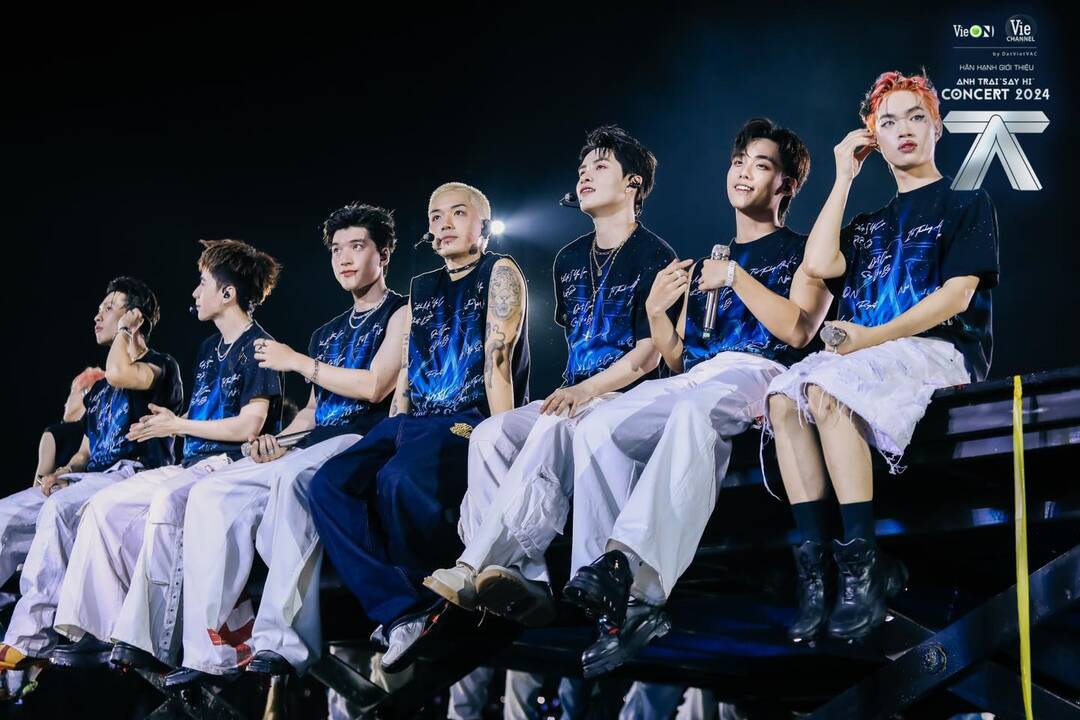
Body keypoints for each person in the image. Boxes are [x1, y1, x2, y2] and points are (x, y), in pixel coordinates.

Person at [766, 70, 999, 642]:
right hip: (866, 359)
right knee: (782, 397)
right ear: (874, 138)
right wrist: (844, 175)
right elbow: (817, 265)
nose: (904, 130)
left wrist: (871, 338)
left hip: (938, 351)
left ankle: (862, 569)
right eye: (888, 122)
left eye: (916, 117)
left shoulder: (966, 200)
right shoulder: (869, 226)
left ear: (937, 127)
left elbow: (956, 297)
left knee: (826, 386)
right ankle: (817, 569)